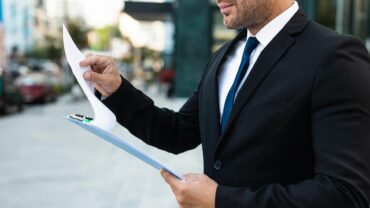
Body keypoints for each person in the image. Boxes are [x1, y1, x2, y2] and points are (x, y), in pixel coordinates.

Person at [80, 0, 370, 207]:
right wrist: (118, 90)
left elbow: (345, 194)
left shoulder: (333, 56)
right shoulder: (222, 57)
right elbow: (179, 132)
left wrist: (220, 200)